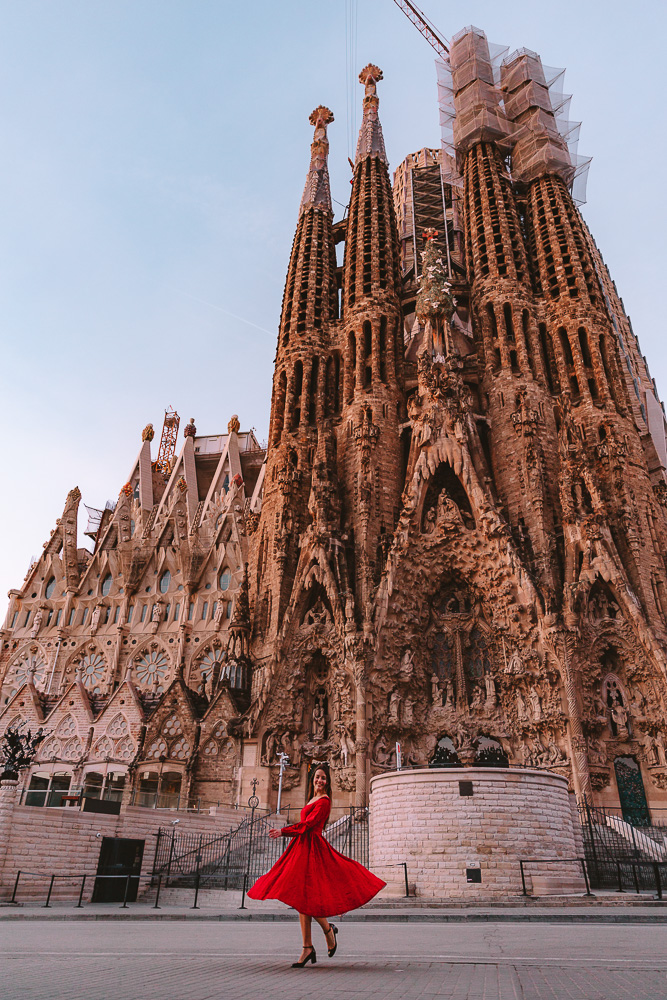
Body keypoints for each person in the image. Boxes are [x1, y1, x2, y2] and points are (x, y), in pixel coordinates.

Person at [247, 764, 386, 967]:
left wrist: (283, 831)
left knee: (306, 896)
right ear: (312, 778)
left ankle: (316, 941)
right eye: (317, 777)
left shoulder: (324, 802)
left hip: (312, 848)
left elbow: (308, 825)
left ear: (327, 783)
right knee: (302, 897)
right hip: (302, 847)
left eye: (323, 778)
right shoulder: (312, 798)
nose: (320, 781)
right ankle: (315, 941)